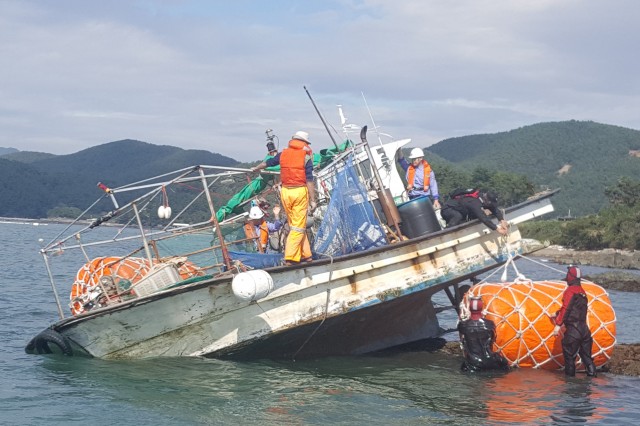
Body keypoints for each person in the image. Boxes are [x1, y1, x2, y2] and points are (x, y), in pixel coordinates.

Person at [252, 131, 316, 265]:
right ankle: (291, 257)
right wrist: (313, 200)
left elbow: (268, 163)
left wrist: (256, 168)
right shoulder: (306, 157)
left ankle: (306, 255)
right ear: (304, 143)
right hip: (299, 191)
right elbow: (309, 180)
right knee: (298, 227)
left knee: (295, 224)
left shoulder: (283, 154)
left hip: (286, 192)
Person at [553, 266, 597, 377]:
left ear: (571, 277)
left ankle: (570, 387)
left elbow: (567, 307)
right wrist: (557, 313)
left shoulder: (570, 291)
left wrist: (558, 324)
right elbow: (575, 308)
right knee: (587, 358)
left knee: (569, 359)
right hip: (585, 331)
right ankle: (592, 380)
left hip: (573, 331)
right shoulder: (582, 292)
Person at [458, 295, 510, 372]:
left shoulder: (463, 325)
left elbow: (462, 339)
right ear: (481, 307)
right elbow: (493, 338)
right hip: (491, 360)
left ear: (470, 307)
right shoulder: (489, 324)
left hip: (473, 363)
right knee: (505, 365)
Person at [440, 188, 509, 236]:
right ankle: (446, 232)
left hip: (461, 209)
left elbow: (494, 209)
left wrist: (501, 220)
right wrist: (497, 229)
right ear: (487, 200)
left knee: (473, 216)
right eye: (491, 203)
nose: (491, 205)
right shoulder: (474, 202)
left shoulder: (482, 197)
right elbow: (483, 218)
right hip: (447, 209)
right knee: (458, 216)